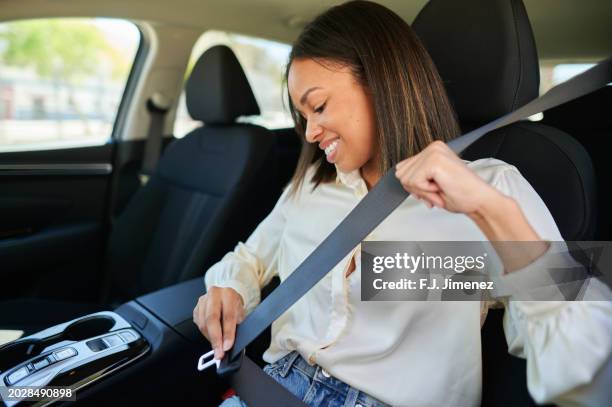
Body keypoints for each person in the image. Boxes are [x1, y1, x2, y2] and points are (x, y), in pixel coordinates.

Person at [193, 1, 612, 406]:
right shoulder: (312, 185)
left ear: (382, 81)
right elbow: (250, 258)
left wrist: (491, 211)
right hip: (273, 385)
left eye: (319, 107)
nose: (310, 132)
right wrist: (227, 289)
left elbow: (580, 356)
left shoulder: (488, 187)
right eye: (303, 116)